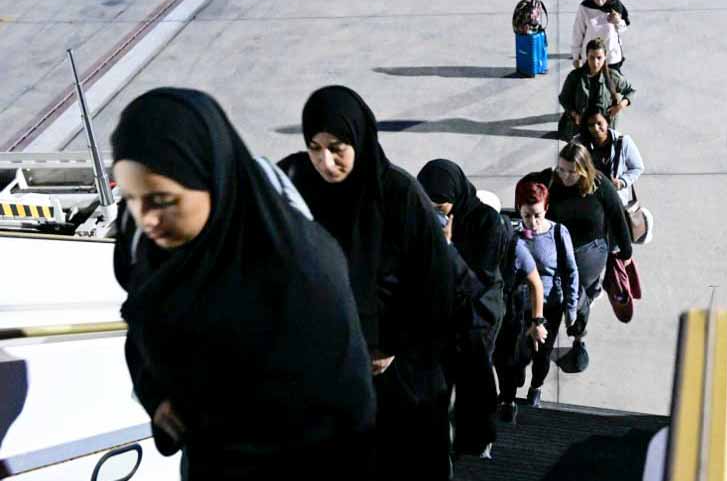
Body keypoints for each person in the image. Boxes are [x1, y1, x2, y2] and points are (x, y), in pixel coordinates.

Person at [110, 88, 374, 480]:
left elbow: (350, 413)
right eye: (132, 198)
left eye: (164, 200)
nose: (145, 219)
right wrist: (157, 397)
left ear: (212, 178)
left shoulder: (302, 272)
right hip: (207, 459)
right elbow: (145, 330)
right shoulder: (157, 253)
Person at [277, 85, 489, 480]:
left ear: (358, 137)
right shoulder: (298, 185)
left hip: (404, 375)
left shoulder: (399, 195)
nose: (326, 161)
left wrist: (393, 344)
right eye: (315, 147)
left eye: (338, 147)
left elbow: (440, 287)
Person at [416, 159, 506, 456]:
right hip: (440, 310)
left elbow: (479, 279)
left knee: (475, 381)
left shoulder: (486, 222)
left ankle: (477, 440)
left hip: (476, 314)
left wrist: (447, 248)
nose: (435, 212)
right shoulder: (421, 216)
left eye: (440, 206)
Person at [522, 143, 632, 372]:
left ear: (583, 169)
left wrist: (626, 252)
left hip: (589, 251)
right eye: (561, 169)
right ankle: (538, 335)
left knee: (578, 294)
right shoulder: (550, 180)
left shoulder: (599, 185)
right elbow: (527, 194)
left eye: (571, 171)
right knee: (552, 292)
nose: (565, 175)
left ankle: (578, 337)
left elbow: (618, 217)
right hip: (556, 247)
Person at [496, 180, 579, 414]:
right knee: (516, 354)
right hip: (519, 306)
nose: (532, 222)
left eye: (537, 215)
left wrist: (571, 310)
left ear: (546, 208)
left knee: (542, 355)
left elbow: (571, 271)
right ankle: (516, 381)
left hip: (549, 306)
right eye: (526, 215)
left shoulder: (558, 233)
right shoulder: (513, 234)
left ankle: (536, 387)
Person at [558, 37, 636, 141]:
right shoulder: (575, 77)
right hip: (581, 129)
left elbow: (631, 91)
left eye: (599, 58)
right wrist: (574, 114)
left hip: (604, 131)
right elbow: (563, 98)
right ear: (586, 57)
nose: (595, 62)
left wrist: (620, 105)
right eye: (592, 57)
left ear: (605, 58)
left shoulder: (612, 76)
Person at [574, 106, 645, 206]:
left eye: (599, 123)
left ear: (607, 122)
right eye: (591, 125)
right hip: (589, 202)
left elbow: (637, 168)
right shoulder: (579, 143)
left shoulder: (623, 141)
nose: (595, 128)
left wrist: (621, 182)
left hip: (616, 202)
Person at [571, 0, 630, 71]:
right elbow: (578, 33)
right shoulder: (585, 8)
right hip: (591, 58)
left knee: (612, 84)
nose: (600, 2)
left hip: (611, 58)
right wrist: (576, 56)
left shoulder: (615, 6)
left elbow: (623, 29)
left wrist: (618, 21)